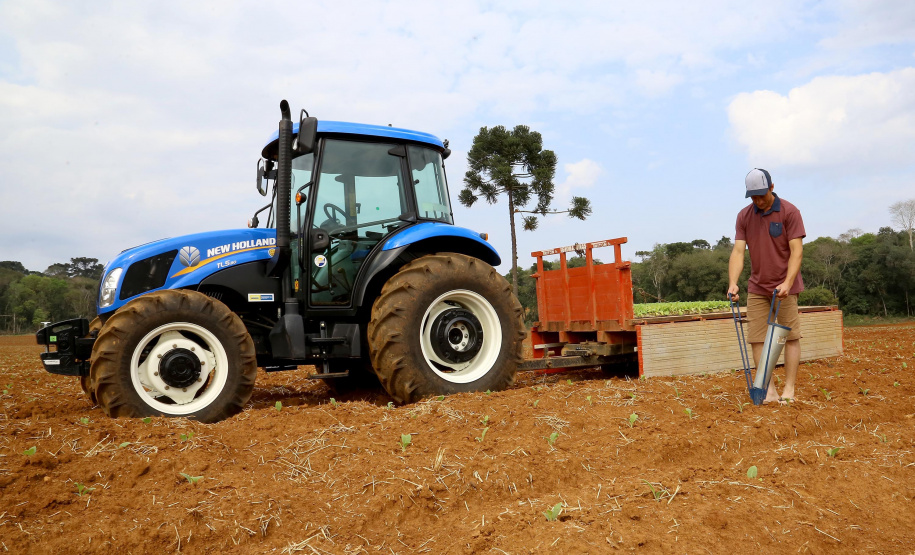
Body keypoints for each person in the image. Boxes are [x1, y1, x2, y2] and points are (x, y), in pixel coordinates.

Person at [727, 169, 805, 404]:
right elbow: (739, 252)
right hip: (757, 288)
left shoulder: (790, 212)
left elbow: (797, 252)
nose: (758, 201)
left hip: (785, 289)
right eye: (753, 197)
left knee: (790, 338)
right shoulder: (744, 216)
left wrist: (788, 283)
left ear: (772, 187)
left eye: (761, 195)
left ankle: (789, 389)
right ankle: (769, 390)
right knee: (757, 339)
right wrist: (733, 283)